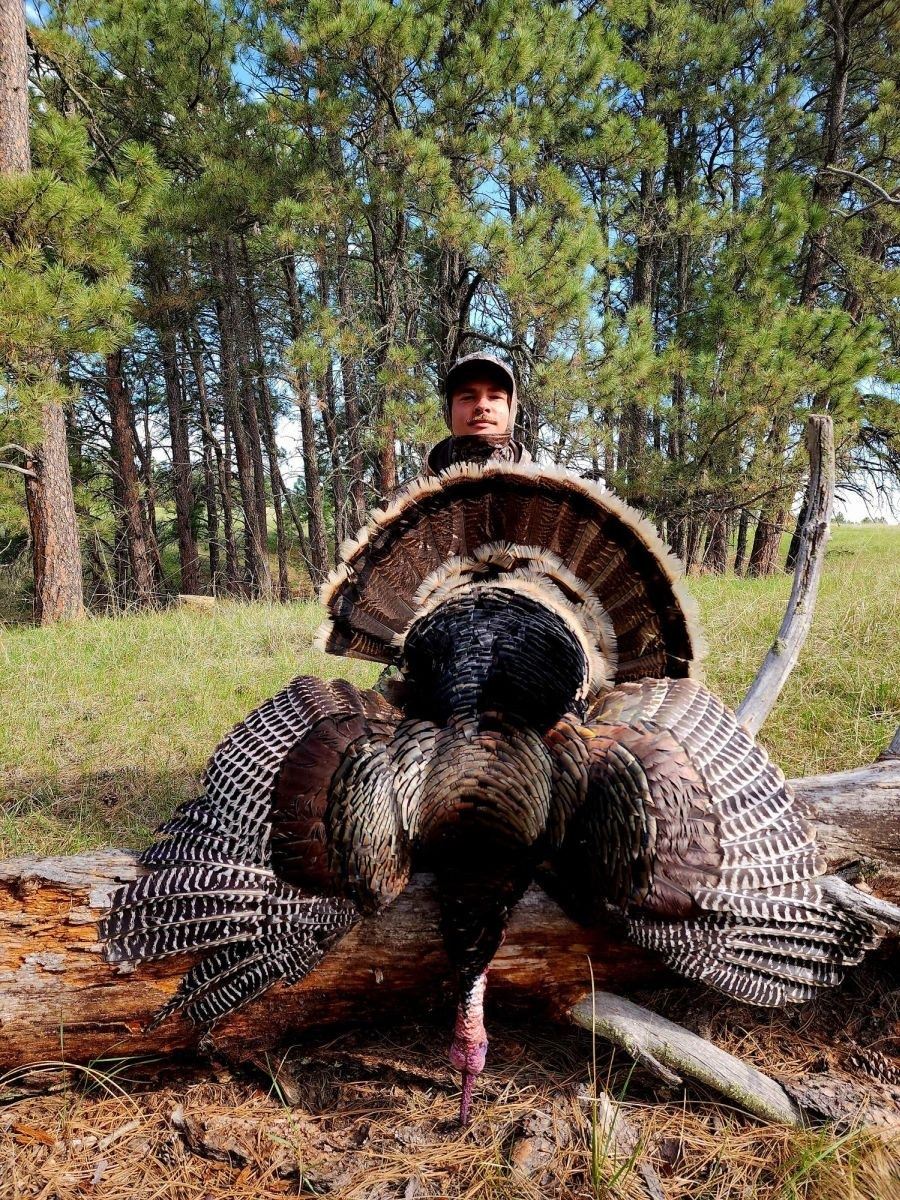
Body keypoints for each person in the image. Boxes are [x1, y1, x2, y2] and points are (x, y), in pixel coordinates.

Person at [426, 352, 531, 474]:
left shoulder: (543, 484)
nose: (482, 406)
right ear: (448, 412)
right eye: (468, 397)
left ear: (511, 408)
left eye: (494, 397)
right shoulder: (414, 486)